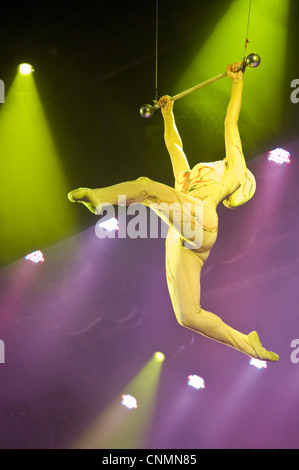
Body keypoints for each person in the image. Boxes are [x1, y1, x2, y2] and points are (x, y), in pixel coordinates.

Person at [68, 62, 279, 362]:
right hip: (186, 237)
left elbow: (230, 124)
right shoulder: (188, 181)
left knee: (147, 187)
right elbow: (175, 148)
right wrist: (168, 115)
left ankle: (98, 199)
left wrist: (237, 82)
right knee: (188, 315)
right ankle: (250, 346)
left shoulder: (234, 173)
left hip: (203, 220)